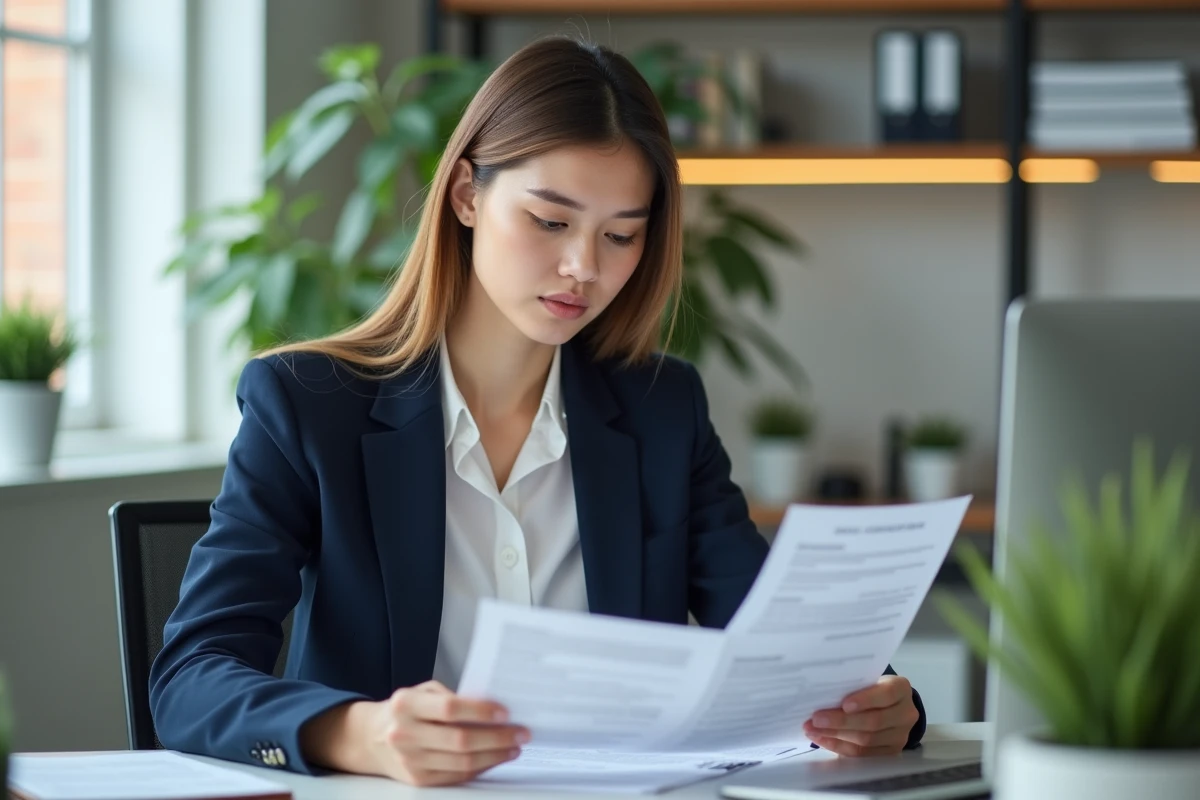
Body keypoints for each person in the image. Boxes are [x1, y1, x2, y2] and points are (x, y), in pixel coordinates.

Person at [149, 36, 925, 788]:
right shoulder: (309, 405)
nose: (584, 267)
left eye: (621, 235)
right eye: (550, 221)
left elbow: (780, 647)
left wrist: (886, 707)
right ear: (465, 195)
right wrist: (365, 733)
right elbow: (191, 679)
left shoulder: (661, 410)